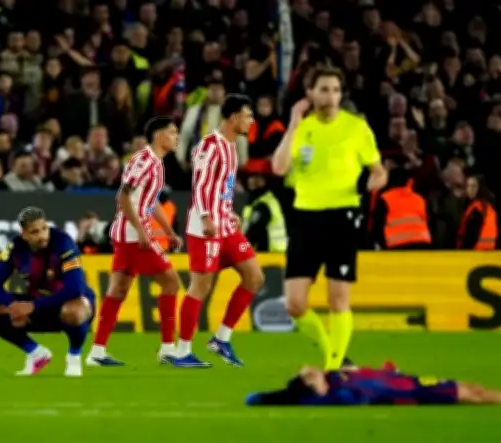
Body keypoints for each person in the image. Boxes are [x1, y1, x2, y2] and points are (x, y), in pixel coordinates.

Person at [272, 67, 388, 370]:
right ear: (310, 93)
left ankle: (334, 367)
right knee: (295, 304)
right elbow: (279, 168)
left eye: (335, 90)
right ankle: (332, 354)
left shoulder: (356, 128)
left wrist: (370, 184)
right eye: (323, 89)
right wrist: (293, 124)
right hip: (305, 218)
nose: (330, 96)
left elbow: (379, 172)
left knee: (338, 298)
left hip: (342, 216)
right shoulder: (302, 128)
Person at [86, 117, 184, 367]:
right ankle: (167, 349)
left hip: (129, 233)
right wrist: (142, 231)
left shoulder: (157, 163)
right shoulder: (143, 160)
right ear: (159, 136)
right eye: (172, 132)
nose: (177, 137)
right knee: (171, 283)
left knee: (118, 290)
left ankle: (97, 351)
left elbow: (151, 202)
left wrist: (169, 231)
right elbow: (123, 197)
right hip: (132, 235)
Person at [176, 94, 265, 368]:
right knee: (201, 286)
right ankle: (181, 351)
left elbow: (220, 186)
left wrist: (228, 210)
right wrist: (206, 216)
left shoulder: (231, 146)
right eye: (248, 116)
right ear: (234, 117)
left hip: (224, 224)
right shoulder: (210, 145)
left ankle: (221, 339)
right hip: (206, 227)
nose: (251, 121)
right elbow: (201, 184)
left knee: (254, 277)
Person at [0, 207, 95, 377]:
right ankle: (36, 353)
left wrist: (32, 306)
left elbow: (75, 289)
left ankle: (74, 357)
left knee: (74, 310)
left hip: (68, 305)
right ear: (24, 234)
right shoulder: (15, 248)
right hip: (38, 305)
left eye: (44, 228)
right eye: (34, 232)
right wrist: (13, 306)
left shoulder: (63, 243)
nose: (42, 235)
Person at [245, 363, 501, 406]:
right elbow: (366, 396)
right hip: (410, 390)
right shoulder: (336, 392)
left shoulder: (337, 375)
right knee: (472, 393)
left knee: (471, 386)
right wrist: (260, 398)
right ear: (311, 385)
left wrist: (386, 370)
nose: (313, 368)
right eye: (310, 374)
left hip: (403, 380)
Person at [457, 175, 498, 250]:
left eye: (473, 186)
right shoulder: (488, 207)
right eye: (468, 186)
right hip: (488, 250)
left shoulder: (477, 209)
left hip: (474, 251)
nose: (470, 189)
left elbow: (471, 235)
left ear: (480, 188)